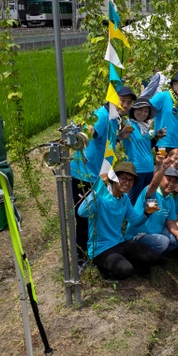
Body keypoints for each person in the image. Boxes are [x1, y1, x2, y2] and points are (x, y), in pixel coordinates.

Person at [70, 86, 136, 266]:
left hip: (98, 175)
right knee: (84, 216)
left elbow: (106, 141)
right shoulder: (102, 115)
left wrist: (120, 137)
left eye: (129, 103)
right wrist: (85, 132)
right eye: (122, 100)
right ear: (112, 98)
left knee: (94, 214)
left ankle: (91, 252)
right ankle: (80, 259)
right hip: (83, 174)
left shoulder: (114, 119)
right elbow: (91, 132)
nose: (125, 105)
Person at [77, 162, 163, 280]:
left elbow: (134, 221)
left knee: (154, 257)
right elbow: (81, 212)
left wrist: (146, 213)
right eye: (124, 179)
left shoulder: (125, 198)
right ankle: (103, 270)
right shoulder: (101, 196)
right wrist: (97, 189)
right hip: (100, 249)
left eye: (130, 180)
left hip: (119, 243)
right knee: (126, 270)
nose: (127, 183)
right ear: (114, 178)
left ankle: (126, 263)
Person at [125, 161, 178, 259]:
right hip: (138, 235)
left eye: (174, 181)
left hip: (156, 233)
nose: (171, 183)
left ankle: (156, 256)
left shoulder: (170, 199)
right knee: (163, 242)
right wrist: (162, 168)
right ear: (161, 178)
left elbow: (170, 222)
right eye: (168, 179)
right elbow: (153, 184)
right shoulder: (152, 193)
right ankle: (141, 259)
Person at [121, 97, 164, 204]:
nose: (143, 113)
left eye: (146, 111)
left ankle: (149, 219)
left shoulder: (145, 127)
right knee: (135, 200)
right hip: (136, 169)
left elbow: (146, 147)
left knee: (149, 198)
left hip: (149, 167)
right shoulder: (129, 124)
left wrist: (157, 137)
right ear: (133, 110)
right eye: (140, 110)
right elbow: (119, 136)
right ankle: (131, 220)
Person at [151, 72, 178, 150]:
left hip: (175, 143)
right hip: (162, 142)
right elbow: (146, 109)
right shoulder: (162, 96)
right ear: (173, 84)